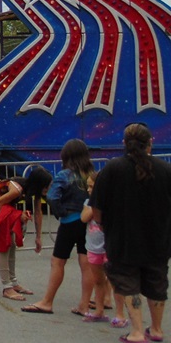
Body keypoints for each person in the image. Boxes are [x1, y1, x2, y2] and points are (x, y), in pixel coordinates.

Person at [91, 122, 171, 343]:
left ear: (124, 143)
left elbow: (97, 208)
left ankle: (136, 331)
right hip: (158, 238)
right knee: (157, 281)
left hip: (122, 237)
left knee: (128, 282)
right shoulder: (165, 169)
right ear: (150, 143)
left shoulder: (112, 169)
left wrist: (105, 225)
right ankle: (156, 329)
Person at [22, 139, 95, 315]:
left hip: (69, 222)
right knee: (86, 264)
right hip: (87, 222)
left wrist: (61, 212)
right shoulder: (91, 174)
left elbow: (52, 197)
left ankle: (47, 302)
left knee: (58, 262)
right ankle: (84, 305)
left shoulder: (64, 175)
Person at [0, 165, 52, 301]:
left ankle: (13, 282)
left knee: (11, 244)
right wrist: (18, 214)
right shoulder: (17, 190)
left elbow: (38, 213)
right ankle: (7, 287)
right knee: (5, 245)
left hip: (5, 211)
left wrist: (38, 237)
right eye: (46, 186)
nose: (48, 188)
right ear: (39, 184)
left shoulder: (34, 191)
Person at [81, 172, 128, 327]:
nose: (89, 189)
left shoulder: (113, 202)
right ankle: (99, 311)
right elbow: (84, 217)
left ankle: (120, 314)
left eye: (92, 187)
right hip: (93, 247)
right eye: (88, 186)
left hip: (110, 246)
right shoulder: (88, 202)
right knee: (98, 280)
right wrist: (95, 202)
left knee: (114, 280)